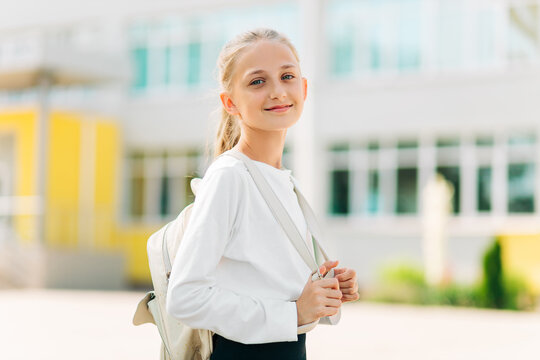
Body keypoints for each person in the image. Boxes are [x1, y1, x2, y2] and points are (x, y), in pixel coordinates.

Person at [166, 28, 359, 360]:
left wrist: (324, 292)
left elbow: (268, 286)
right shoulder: (230, 176)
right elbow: (185, 297)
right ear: (230, 102)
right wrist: (293, 313)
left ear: (304, 88)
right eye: (257, 82)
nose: (278, 92)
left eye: (287, 76)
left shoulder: (282, 180)